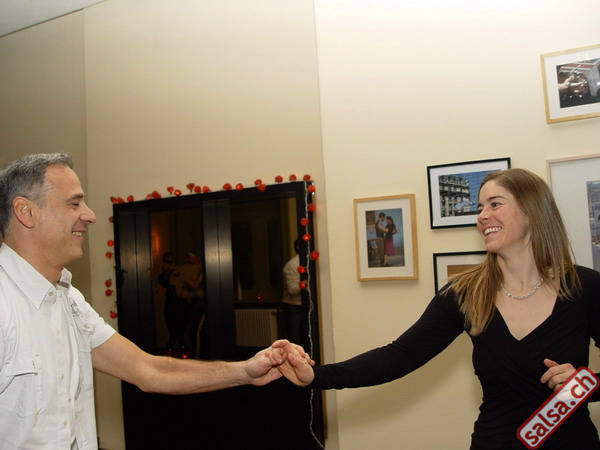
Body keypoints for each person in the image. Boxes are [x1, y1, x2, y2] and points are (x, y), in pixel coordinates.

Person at [0, 153, 311, 449]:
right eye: (74, 203)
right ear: (26, 212)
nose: (90, 215)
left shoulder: (69, 299)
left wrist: (245, 371)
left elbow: (146, 369)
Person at [274, 168, 600, 449]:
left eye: (495, 204)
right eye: (480, 207)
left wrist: (587, 384)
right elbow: (399, 355)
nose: (482, 216)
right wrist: (316, 375)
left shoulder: (585, 287)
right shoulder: (465, 293)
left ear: (532, 212)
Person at [281, 238, 304, 343]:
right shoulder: (292, 264)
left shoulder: (309, 261)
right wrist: (305, 284)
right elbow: (292, 290)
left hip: (305, 307)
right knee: (295, 339)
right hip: (294, 308)